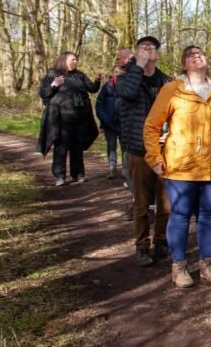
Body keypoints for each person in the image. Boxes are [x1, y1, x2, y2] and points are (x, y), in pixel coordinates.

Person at [143, 45, 211, 288]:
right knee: (180, 214)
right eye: (190, 54)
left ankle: (207, 263)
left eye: (200, 53)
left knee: (208, 214)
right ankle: (179, 266)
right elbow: (152, 126)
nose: (196, 55)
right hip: (182, 165)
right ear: (184, 64)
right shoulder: (172, 90)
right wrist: (154, 157)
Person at [116, 36, 172, 266]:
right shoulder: (124, 77)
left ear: (158, 54)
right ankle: (141, 246)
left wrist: (171, 132)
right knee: (142, 202)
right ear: (136, 52)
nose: (148, 49)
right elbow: (128, 93)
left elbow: (175, 112)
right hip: (139, 149)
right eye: (143, 46)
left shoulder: (166, 81)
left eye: (152, 47)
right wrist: (138, 65)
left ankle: (161, 241)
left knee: (166, 202)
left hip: (165, 149)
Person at [38, 52, 101, 185]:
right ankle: (60, 176)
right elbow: (43, 93)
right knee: (61, 147)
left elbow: (92, 89)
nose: (75, 62)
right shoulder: (53, 74)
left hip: (80, 117)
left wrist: (97, 80)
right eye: (73, 59)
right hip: (61, 118)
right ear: (64, 60)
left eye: (76, 60)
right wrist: (54, 85)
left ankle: (78, 174)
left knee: (77, 147)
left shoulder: (80, 75)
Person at [95, 48, 135, 182]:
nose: (118, 74)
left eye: (120, 72)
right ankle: (112, 168)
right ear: (113, 74)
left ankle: (125, 170)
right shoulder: (107, 87)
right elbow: (99, 104)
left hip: (124, 123)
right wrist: (104, 119)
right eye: (116, 72)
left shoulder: (128, 87)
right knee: (111, 146)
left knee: (125, 148)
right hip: (109, 123)